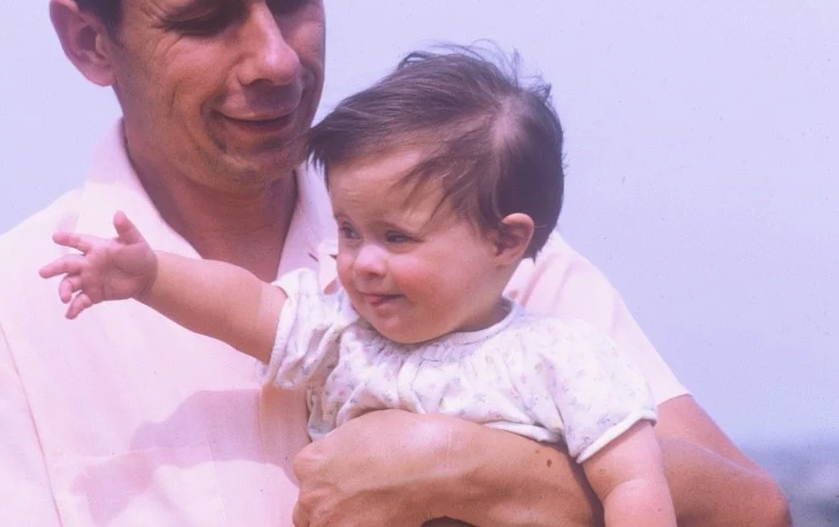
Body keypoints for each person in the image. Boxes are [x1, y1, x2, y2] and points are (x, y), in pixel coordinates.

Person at [0, 0, 790, 525]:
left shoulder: (490, 250)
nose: (275, 57)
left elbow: (758, 512)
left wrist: (473, 469)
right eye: (206, 18)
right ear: (90, 40)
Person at [40, 47, 678, 527]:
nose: (362, 262)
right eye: (348, 230)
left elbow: (633, 483)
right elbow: (247, 306)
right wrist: (151, 276)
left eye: (397, 238)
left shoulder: (562, 358)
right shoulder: (342, 329)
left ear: (505, 241)